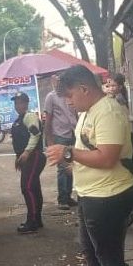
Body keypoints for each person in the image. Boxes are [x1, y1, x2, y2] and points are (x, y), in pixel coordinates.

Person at [46, 65, 133, 266]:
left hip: (110, 195)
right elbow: (85, 150)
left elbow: (107, 158)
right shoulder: (88, 112)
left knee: (109, 258)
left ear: (85, 89)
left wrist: (68, 154)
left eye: (70, 95)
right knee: (91, 252)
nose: (68, 101)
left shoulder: (108, 112)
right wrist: (69, 160)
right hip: (89, 194)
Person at [10, 92, 46, 234]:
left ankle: (32, 222)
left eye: (21, 102)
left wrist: (26, 152)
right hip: (27, 157)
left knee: (27, 187)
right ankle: (36, 219)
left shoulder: (29, 116)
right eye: (16, 103)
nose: (18, 105)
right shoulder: (20, 119)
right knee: (34, 187)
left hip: (34, 156)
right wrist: (19, 157)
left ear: (26, 103)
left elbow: (35, 134)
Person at [44, 75, 79, 210]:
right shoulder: (51, 97)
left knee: (71, 166)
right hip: (60, 135)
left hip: (72, 133)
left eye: (60, 80)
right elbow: (48, 119)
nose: (57, 83)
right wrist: (50, 141)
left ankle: (68, 196)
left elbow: (75, 113)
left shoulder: (69, 95)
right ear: (52, 82)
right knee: (62, 167)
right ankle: (62, 199)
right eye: (55, 81)